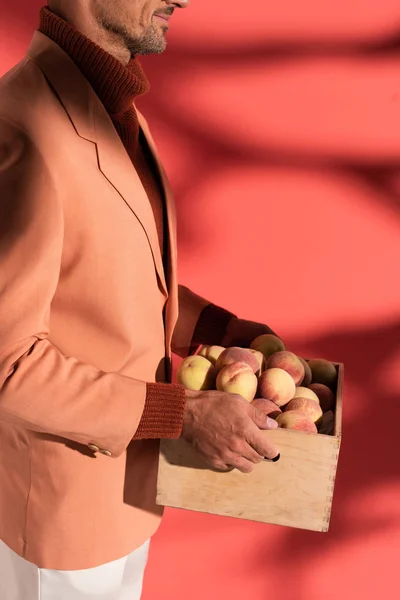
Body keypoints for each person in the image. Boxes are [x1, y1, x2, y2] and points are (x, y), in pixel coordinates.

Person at [0, 1, 280, 598]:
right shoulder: (19, 125)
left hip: (128, 497)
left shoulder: (113, 109)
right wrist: (182, 416)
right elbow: (9, 364)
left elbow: (108, 275)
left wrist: (222, 328)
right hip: (62, 521)